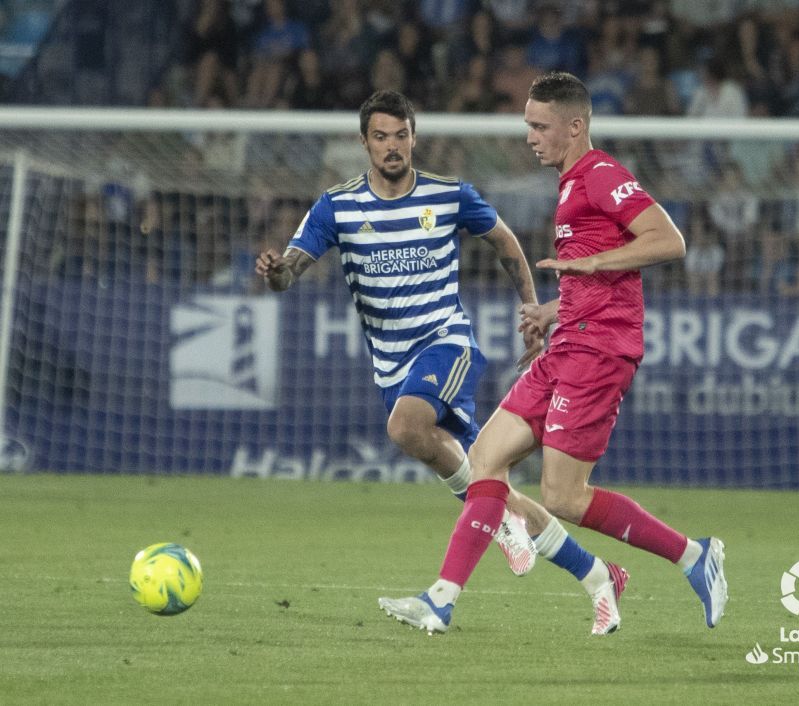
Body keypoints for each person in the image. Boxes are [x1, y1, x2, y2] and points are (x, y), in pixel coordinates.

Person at [378, 73, 728, 636]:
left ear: (575, 126)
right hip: (569, 342)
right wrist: (554, 309)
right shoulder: (570, 184)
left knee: (563, 496)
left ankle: (693, 554)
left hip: (599, 352)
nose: (530, 137)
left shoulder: (601, 174)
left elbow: (669, 240)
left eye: (540, 126)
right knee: (486, 459)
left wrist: (592, 265)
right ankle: (440, 600)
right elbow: (599, 281)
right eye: (528, 125)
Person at [256, 90, 604, 582]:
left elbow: (504, 242)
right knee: (488, 482)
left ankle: (499, 524)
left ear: (414, 138)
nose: (392, 146)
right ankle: (595, 574)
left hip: (447, 344)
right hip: (392, 368)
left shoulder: (448, 194)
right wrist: (276, 272)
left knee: (404, 428)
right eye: (381, 137)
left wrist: (531, 309)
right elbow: (290, 271)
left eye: (401, 135)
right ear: (364, 142)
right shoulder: (337, 206)